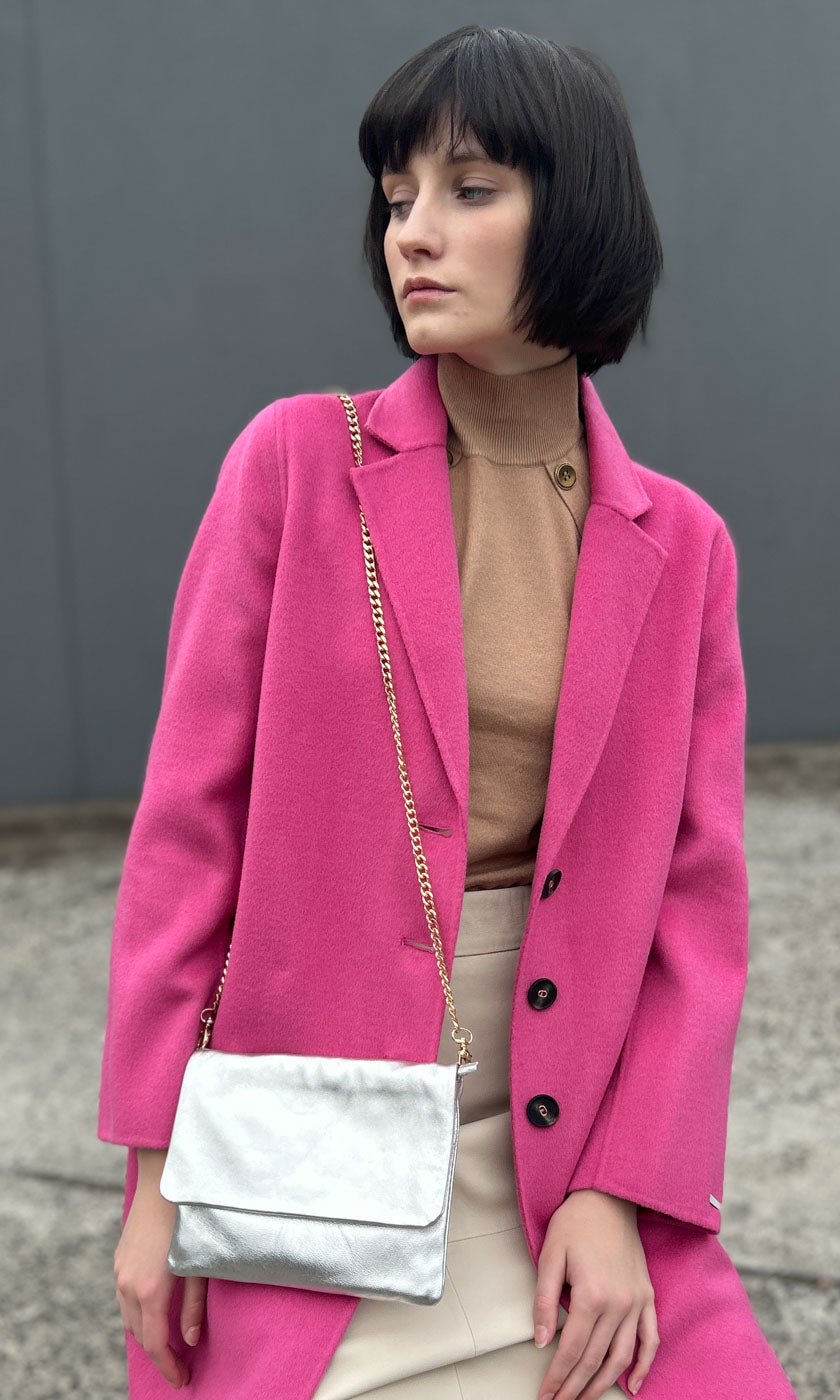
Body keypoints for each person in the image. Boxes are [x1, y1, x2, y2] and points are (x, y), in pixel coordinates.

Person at [99, 24, 799, 1400]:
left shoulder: (685, 548)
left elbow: (695, 904)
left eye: (470, 189)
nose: (412, 231)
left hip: (574, 1140)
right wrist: (156, 1169)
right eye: (397, 195)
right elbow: (186, 838)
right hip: (309, 1141)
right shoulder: (297, 465)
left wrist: (620, 1190)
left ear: (578, 211)